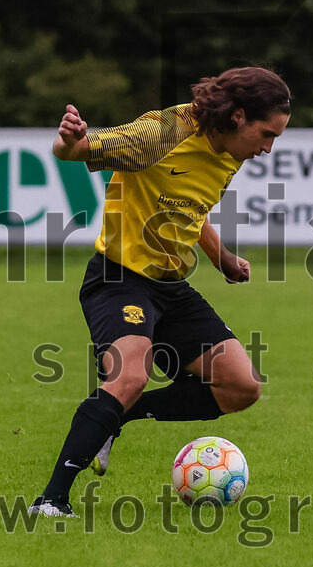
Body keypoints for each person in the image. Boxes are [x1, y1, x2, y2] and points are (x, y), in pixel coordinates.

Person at [30, 67, 291, 517]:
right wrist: (69, 137)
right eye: (266, 135)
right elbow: (74, 150)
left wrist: (221, 256)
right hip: (119, 279)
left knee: (241, 386)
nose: (267, 149)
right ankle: (51, 500)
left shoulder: (229, 152)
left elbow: (192, 208)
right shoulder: (163, 133)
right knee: (130, 376)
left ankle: (120, 416)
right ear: (238, 116)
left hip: (170, 287)